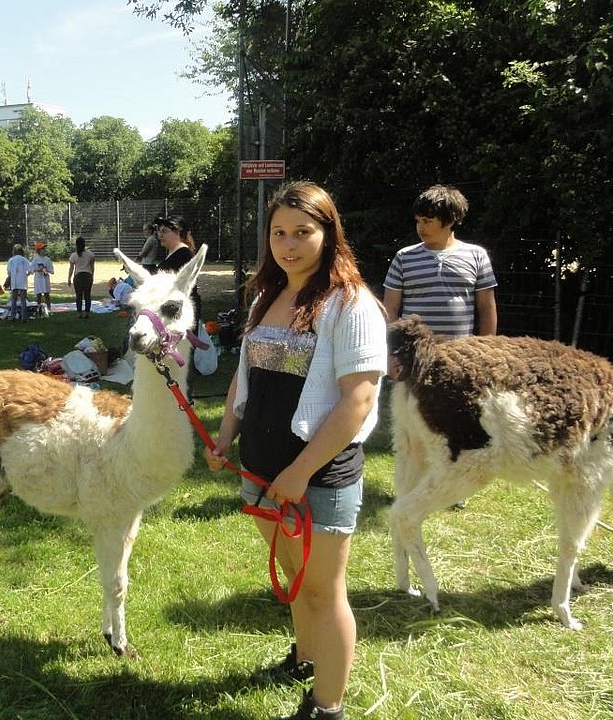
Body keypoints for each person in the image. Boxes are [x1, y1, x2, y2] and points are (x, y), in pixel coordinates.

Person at [205, 181, 388, 720]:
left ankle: (327, 705)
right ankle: (306, 655)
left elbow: (359, 398)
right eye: (278, 232)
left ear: (328, 233)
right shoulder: (266, 296)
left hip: (319, 475)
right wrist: (225, 436)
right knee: (295, 578)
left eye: (302, 232)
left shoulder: (351, 304)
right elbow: (246, 377)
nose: (289, 244)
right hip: (260, 468)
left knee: (322, 593)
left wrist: (301, 472)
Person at [382, 184, 497, 337]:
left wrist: (487, 348)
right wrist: (391, 350)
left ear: (449, 221)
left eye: (427, 221)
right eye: (418, 221)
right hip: (413, 354)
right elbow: (390, 308)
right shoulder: (403, 257)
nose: (420, 227)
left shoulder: (477, 255)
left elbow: (486, 308)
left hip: (462, 355)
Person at [156, 214, 202, 327]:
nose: (160, 235)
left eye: (164, 231)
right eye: (159, 231)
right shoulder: (175, 253)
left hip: (180, 313)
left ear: (178, 233)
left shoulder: (184, 254)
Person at [67, 236, 95, 318]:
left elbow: (71, 268)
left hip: (78, 276)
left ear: (76, 245)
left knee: (78, 296)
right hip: (87, 275)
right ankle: (87, 312)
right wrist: (92, 275)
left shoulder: (74, 255)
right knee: (87, 295)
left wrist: (69, 279)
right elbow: (92, 267)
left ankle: (79, 313)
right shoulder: (90, 254)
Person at [6, 243, 32, 322]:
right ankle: (24, 317)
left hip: (14, 282)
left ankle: (13, 316)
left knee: (13, 299)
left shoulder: (11, 260)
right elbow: (30, 270)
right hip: (22, 282)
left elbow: (9, 272)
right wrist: (26, 275)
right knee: (23, 300)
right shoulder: (24, 260)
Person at [31, 242, 55, 317]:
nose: (44, 250)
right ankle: (39, 310)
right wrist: (38, 269)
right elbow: (31, 269)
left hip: (45, 279)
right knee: (38, 295)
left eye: (44, 248)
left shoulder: (47, 259)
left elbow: (52, 271)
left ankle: (49, 310)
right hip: (38, 279)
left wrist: (46, 270)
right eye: (42, 249)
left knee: (46, 294)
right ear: (38, 250)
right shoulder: (35, 259)